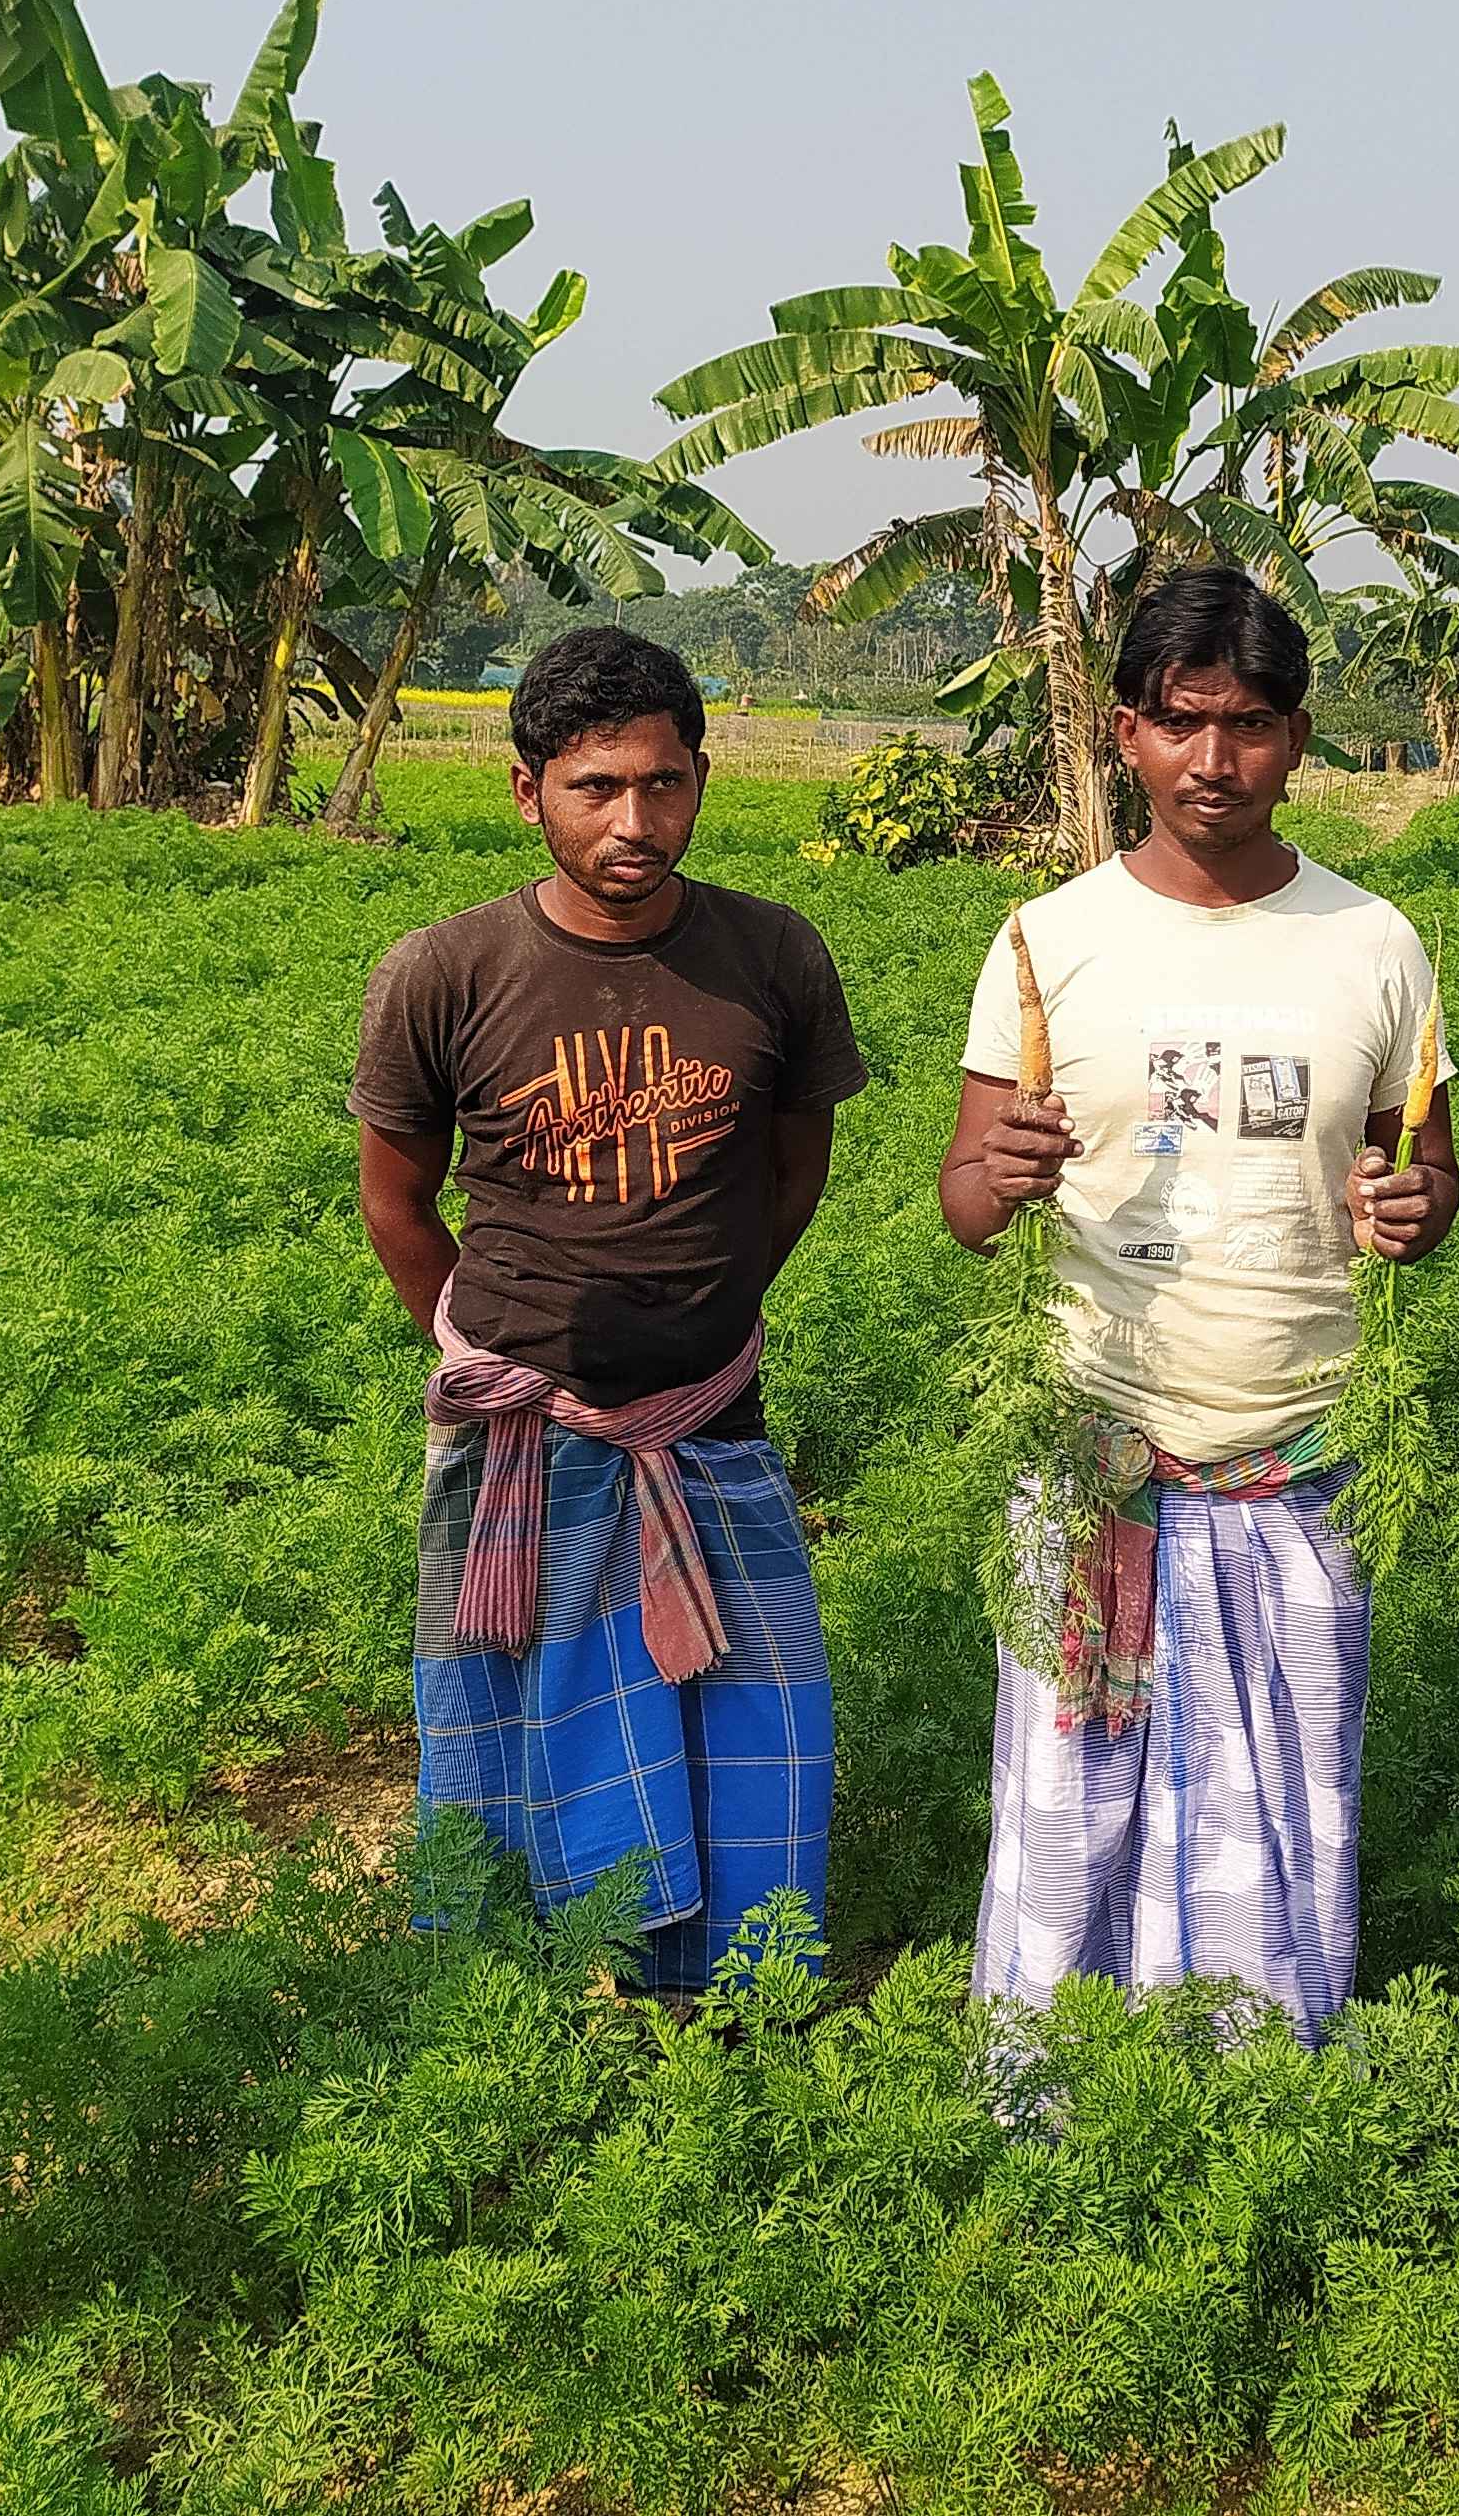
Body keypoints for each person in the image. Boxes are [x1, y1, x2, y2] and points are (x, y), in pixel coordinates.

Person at [943, 566, 1457, 2045]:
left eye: (1247, 725)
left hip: (1301, 1458)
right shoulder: (1049, 939)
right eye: (1180, 723)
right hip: (1091, 1452)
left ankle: (1253, 2083)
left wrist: (1413, 1210)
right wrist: (1003, 1173)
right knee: (1074, 1804)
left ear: (1297, 738)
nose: (1212, 761)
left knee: (1280, 1804)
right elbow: (965, 1201)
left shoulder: (1374, 943)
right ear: (1128, 732)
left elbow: (1429, 1178)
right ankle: (1053, 2092)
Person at [354, 626, 864, 1989]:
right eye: (595, 788)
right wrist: (502, 1361)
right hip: (524, 1440)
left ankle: (731, 1994)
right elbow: (398, 1205)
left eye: (664, 784)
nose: (634, 822)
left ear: (701, 778)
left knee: (755, 1717)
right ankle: (519, 2000)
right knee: (515, 1731)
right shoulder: (446, 972)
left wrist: (702, 1314)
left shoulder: (772, 956)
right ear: (527, 790)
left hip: (712, 1422)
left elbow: (795, 1171)